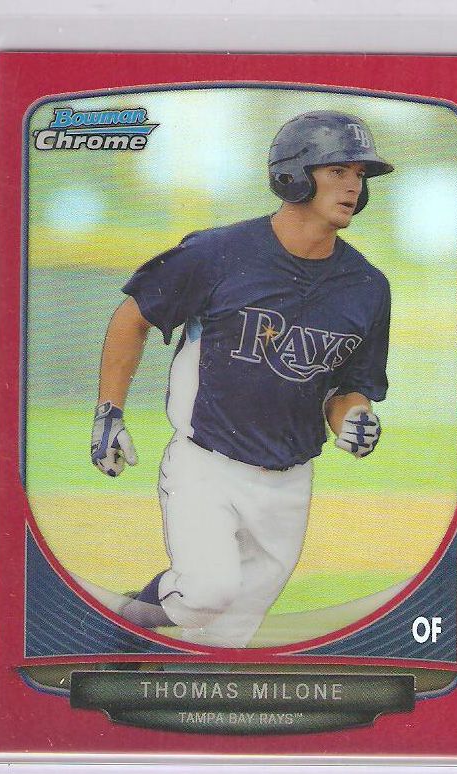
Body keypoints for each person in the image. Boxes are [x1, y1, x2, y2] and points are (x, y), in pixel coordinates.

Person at [91, 111, 394, 648]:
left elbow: (348, 389)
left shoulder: (368, 287)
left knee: (226, 636)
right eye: (338, 170)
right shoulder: (219, 252)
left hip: (290, 482)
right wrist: (109, 413)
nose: (353, 185)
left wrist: (354, 420)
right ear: (293, 175)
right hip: (206, 461)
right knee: (206, 591)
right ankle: (119, 621)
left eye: (360, 175)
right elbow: (132, 317)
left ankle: (136, 662)